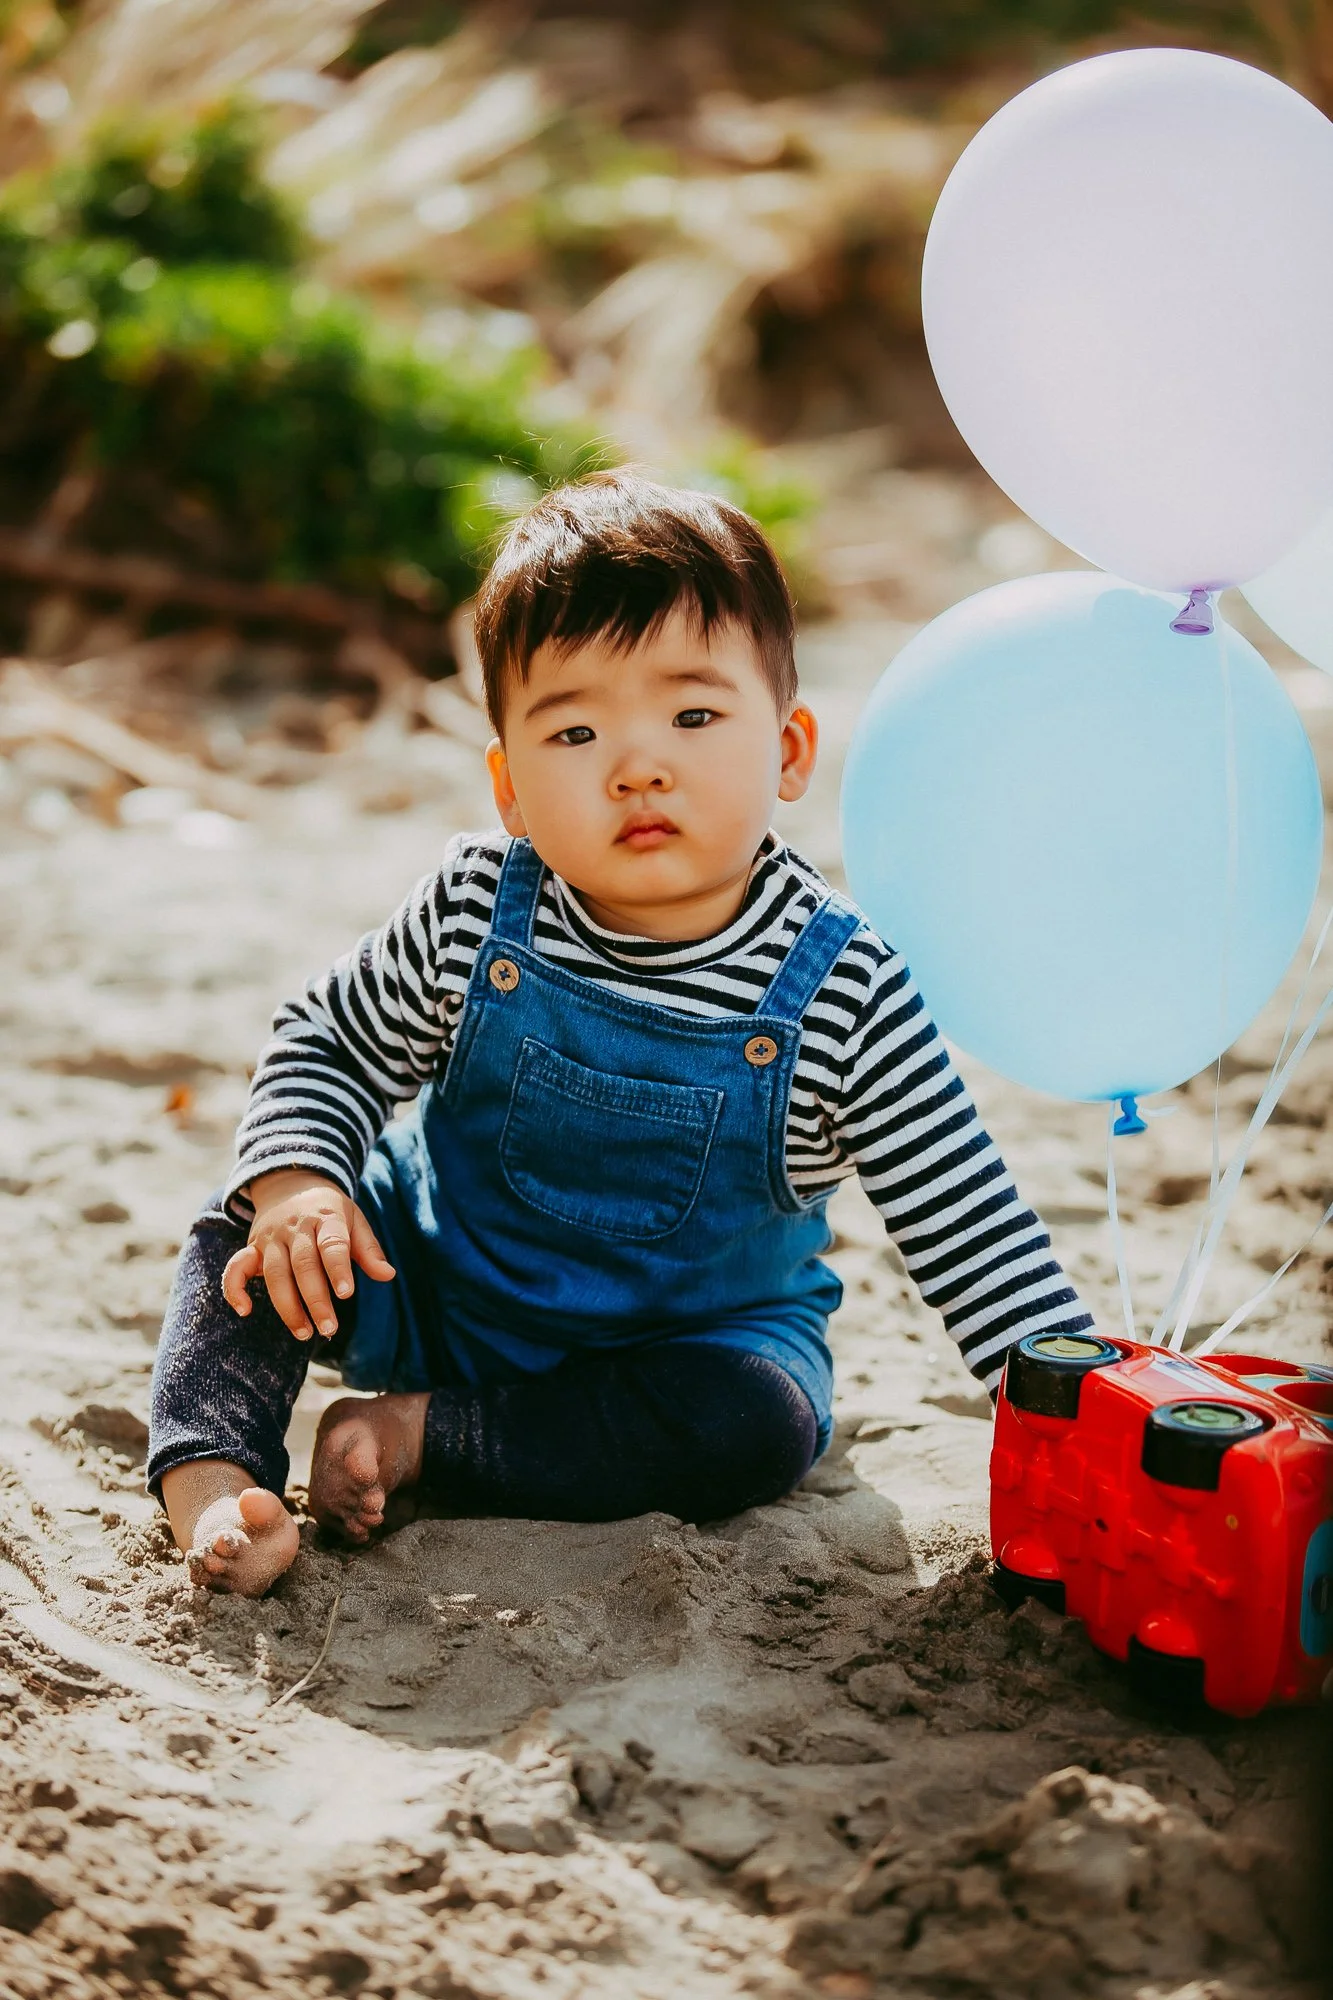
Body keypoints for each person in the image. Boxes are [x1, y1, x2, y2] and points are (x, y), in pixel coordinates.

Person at [148, 471, 1096, 1596]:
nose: (637, 765)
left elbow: (971, 1227)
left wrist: (1087, 1425)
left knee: (758, 1427)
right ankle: (213, 1485)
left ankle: (420, 1436)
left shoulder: (842, 985)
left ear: (789, 750)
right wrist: (303, 1181)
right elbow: (330, 1037)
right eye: (577, 728)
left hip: (686, 1349)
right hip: (439, 1278)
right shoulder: (474, 910)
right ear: (508, 785)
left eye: (693, 716)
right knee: (247, 1238)